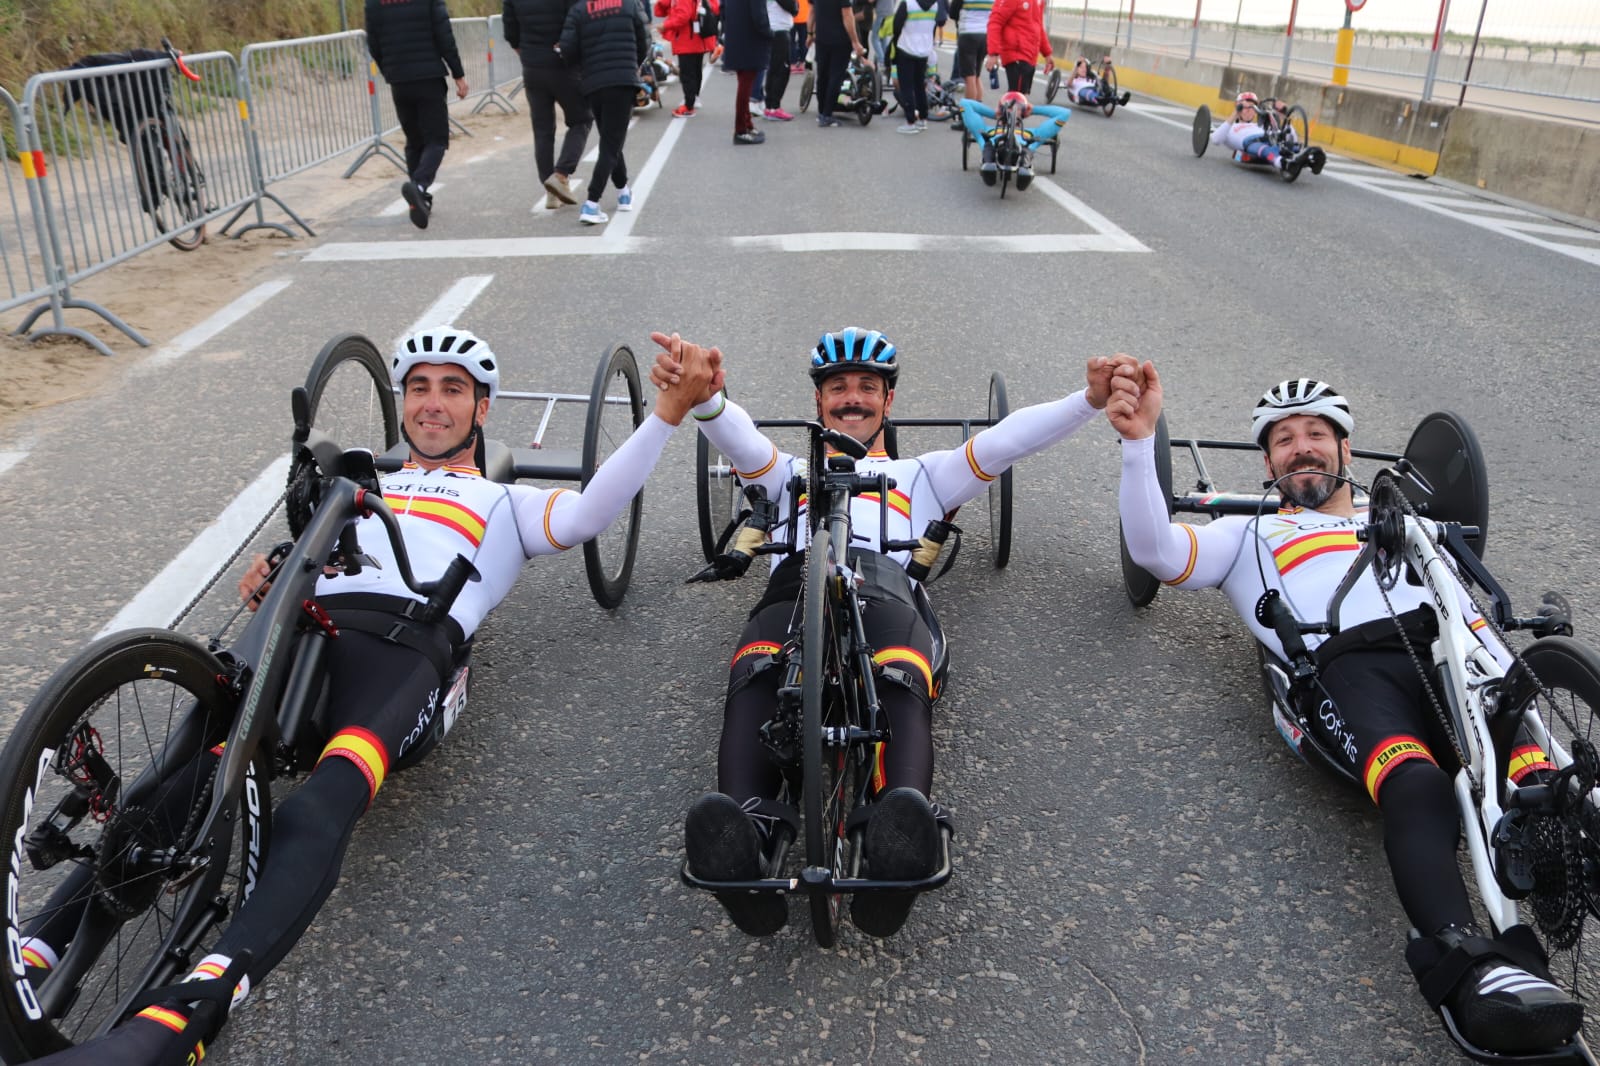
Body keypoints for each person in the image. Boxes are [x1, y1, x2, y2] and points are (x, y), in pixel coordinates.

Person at [25, 328, 716, 1066]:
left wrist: (668, 412)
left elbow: (586, 516)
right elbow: (308, 560)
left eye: (453, 390)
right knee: (177, 781)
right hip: (303, 632)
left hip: (401, 648)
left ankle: (184, 1016)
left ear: (481, 409)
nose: (432, 403)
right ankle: (35, 950)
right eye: (419, 387)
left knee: (323, 802)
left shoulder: (502, 499)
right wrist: (279, 570)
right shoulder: (359, 489)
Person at [1107, 360, 1585, 1058]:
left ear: (1345, 451)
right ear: (1267, 461)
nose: (1300, 446)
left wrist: (1507, 673)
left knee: (1542, 786)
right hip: (1351, 669)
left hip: (1458, 655)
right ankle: (1472, 969)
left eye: (1315, 434)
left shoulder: (1407, 519)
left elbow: (1471, 609)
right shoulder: (1250, 531)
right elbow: (1152, 549)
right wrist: (1136, 442)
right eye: (1283, 439)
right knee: (1417, 786)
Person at [653, 328, 1115, 939]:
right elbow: (736, 434)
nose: (852, 399)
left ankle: (894, 838)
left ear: (888, 402)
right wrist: (707, 396)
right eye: (838, 388)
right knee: (756, 670)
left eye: (867, 388)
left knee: (898, 674)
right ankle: (746, 842)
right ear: (818, 403)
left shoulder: (924, 475)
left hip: (885, 595)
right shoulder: (785, 474)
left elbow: (1005, 442)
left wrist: (1088, 399)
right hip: (792, 592)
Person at [365, 0, 470, 230]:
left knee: (414, 141)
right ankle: (420, 187)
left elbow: (373, 41)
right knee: (437, 139)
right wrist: (458, 74)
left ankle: (419, 200)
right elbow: (444, 35)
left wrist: (389, 70)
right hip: (429, 76)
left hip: (399, 80)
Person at [559, 0, 651, 224]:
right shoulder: (629, 4)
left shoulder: (579, 9)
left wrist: (584, 67)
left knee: (610, 139)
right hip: (621, 81)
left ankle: (623, 191)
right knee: (611, 143)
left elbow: (568, 49)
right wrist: (633, 64)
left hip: (593, 83)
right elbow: (644, 39)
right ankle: (592, 203)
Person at [504, 0, 595, 211]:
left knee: (543, 130)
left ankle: (550, 189)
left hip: (532, 66)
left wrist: (526, 53)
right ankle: (561, 174)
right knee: (582, 119)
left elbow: (510, 31)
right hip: (562, 63)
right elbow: (576, 20)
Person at [959, 91, 1068, 189]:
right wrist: (995, 114)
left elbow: (1064, 113)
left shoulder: (1032, 133)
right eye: (1009, 106)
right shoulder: (988, 129)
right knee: (988, 147)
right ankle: (988, 166)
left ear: (1024, 111)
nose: (1013, 110)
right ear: (1002, 108)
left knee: (1026, 152)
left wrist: (1034, 109)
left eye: (1019, 107)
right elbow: (965, 103)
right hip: (993, 147)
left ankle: (1025, 170)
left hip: (1022, 150)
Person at [1210, 90, 1320, 179]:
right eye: (1245, 107)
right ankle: (1284, 164)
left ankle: (1311, 159)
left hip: (1268, 137)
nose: (1249, 110)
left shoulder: (1259, 126)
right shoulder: (1230, 127)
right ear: (1238, 107)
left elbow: (1278, 132)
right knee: (1264, 149)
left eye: (1252, 107)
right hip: (1250, 143)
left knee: (1287, 134)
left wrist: (1282, 114)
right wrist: (1235, 114)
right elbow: (1215, 139)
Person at [809, 0, 869, 127]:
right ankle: (827, 115)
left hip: (821, 37)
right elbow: (847, 15)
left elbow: (812, 11)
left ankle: (822, 112)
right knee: (835, 76)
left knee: (823, 75)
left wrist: (809, 33)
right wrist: (855, 41)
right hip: (840, 39)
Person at [722, 0, 775, 143]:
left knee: (744, 84)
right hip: (750, 40)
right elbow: (759, 17)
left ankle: (747, 124)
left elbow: (723, 10)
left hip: (737, 37)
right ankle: (740, 129)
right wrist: (770, 33)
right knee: (745, 87)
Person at [655, 0, 720, 116]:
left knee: (687, 73)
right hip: (700, 36)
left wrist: (665, 25)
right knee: (696, 70)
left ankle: (689, 106)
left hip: (687, 39)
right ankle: (694, 98)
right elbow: (715, 7)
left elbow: (682, 16)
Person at [890, 0, 940, 133]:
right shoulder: (934, 5)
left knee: (906, 87)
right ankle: (923, 119)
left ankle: (910, 121)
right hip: (924, 50)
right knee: (919, 86)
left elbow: (896, 26)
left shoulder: (907, 4)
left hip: (906, 48)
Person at [983, 0, 1047, 94]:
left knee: (1021, 99)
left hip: (1031, 56)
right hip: (1016, 55)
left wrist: (1047, 52)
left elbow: (1039, 26)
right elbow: (995, 22)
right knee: (1016, 98)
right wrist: (993, 53)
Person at [947, 0, 991, 104]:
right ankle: (978, 108)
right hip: (986, 35)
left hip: (968, 33)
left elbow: (953, 12)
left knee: (969, 78)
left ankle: (969, 112)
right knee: (977, 75)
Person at [762, 0, 799, 120]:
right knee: (781, 70)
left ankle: (770, 106)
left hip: (775, 27)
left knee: (774, 69)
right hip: (779, 29)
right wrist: (795, 5)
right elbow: (792, 6)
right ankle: (774, 107)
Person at [1065, 55, 1129, 108]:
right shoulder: (1074, 79)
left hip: (1097, 89)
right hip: (1083, 92)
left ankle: (1119, 100)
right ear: (1076, 69)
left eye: (1085, 67)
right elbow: (1068, 84)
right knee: (1086, 92)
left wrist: (1107, 66)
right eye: (1081, 67)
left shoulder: (1092, 77)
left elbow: (1104, 81)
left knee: (1105, 85)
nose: (1084, 69)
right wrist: (1076, 67)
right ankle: (1096, 98)